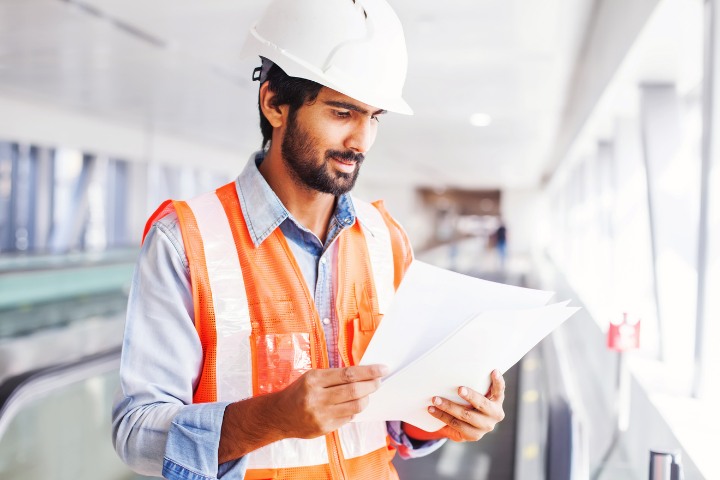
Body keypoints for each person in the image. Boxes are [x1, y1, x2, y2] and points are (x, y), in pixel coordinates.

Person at [112, 1, 506, 478]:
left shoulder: (385, 239)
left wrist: (446, 416)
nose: (362, 140)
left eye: (375, 117)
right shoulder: (185, 242)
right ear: (275, 104)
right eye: (343, 112)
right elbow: (137, 435)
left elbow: (396, 423)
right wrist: (270, 418)